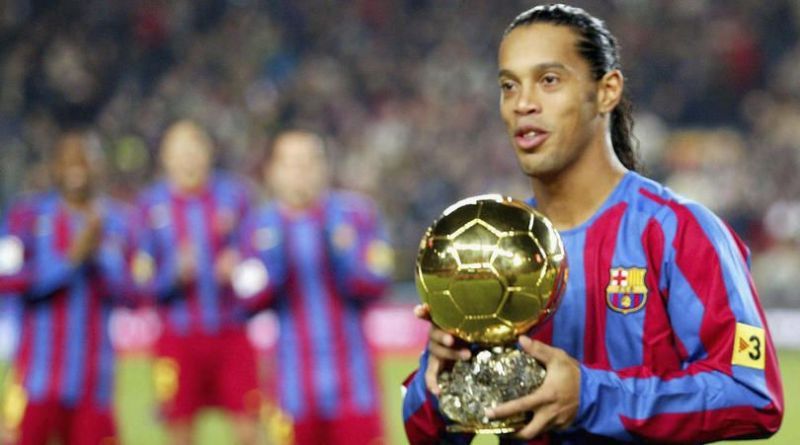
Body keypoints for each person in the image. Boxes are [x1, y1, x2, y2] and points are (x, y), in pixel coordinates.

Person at [402, 4, 784, 444]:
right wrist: (439, 382)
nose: (523, 103)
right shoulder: (489, 250)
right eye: (509, 86)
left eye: (549, 80)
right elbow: (428, 434)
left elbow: (752, 396)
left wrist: (591, 396)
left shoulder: (679, 231)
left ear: (607, 91)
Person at [232, 130, 394, 445]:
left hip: (355, 386)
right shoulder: (259, 226)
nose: (301, 171)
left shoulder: (357, 215)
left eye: (309, 161)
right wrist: (274, 262)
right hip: (292, 389)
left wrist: (343, 253)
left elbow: (376, 282)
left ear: (324, 167)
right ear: (273, 172)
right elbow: (248, 300)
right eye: (291, 163)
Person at [0, 131, 135, 445]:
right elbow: (8, 279)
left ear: (97, 168)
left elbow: (130, 292)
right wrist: (70, 260)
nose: (77, 165)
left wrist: (97, 255)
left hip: (94, 380)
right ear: (54, 168)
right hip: (36, 378)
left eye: (85, 158)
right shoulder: (26, 216)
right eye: (68, 158)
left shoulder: (115, 221)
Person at [134, 120, 261, 445]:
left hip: (232, 332)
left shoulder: (236, 197)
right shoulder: (150, 206)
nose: (188, 158)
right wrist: (172, 275)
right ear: (166, 158)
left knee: (248, 427)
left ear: (208, 153)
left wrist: (239, 269)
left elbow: (258, 257)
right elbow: (140, 281)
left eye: (195, 150)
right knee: (179, 429)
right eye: (180, 152)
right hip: (176, 338)